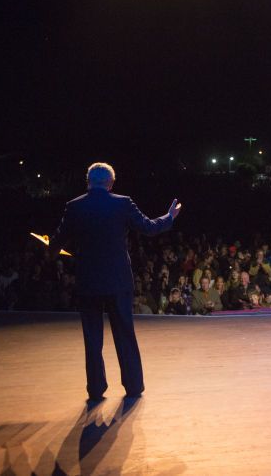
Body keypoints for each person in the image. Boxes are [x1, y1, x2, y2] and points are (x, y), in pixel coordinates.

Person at [50, 162, 181, 402]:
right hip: (118, 281)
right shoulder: (122, 203)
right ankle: (133, 386)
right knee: (124, 334)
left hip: (88, 282)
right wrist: (169, 217)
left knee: (92, 338)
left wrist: (51, 244)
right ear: (111, 184)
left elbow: (55, 244)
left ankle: (96, 388)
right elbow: (149, 228)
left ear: (88, 181)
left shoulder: (74, 207)